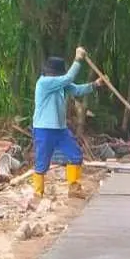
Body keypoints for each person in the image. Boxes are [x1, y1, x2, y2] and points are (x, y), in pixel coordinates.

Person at [32, 46, 105, 200]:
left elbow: (77, 90)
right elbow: (69, 78)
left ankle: (74, 188)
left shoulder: (60, 84)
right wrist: (78, 59)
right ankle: (38, 193)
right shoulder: (44, 82)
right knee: (41, 162)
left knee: (75, 155)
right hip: (44, 129)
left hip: (60, 129)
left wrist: (95, 85)